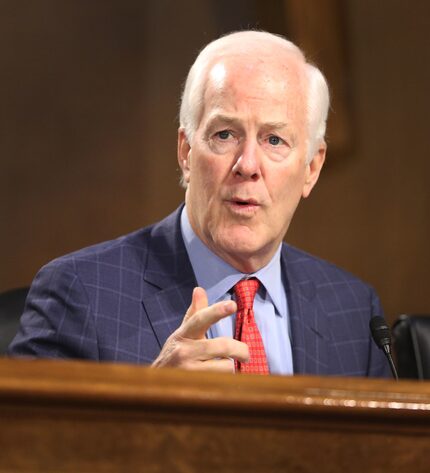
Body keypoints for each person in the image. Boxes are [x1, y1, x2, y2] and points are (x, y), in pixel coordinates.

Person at [8, 31, 390, 377]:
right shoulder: (79, 294)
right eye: (225, 134)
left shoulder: (354, 311)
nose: (248, 166)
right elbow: (29, 451)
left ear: (311, 167)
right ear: (186, 152)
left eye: (274, 140)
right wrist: (152, 401)